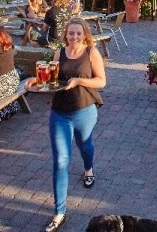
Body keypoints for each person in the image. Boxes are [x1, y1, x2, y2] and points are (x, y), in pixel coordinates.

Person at [45, 19, 106, 232]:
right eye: (71, 34)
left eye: (78, 34)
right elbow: (53, 80)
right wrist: (38, 84)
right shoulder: (59, 53)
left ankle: (88, 169)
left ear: (84, 34)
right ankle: (59, 211)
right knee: (61, 160)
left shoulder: (91, 52)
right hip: (59, 112)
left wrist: (80, 81)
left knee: (85, 146)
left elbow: (101, 81)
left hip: (84, 110)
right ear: (66, 35)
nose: (74, 37)